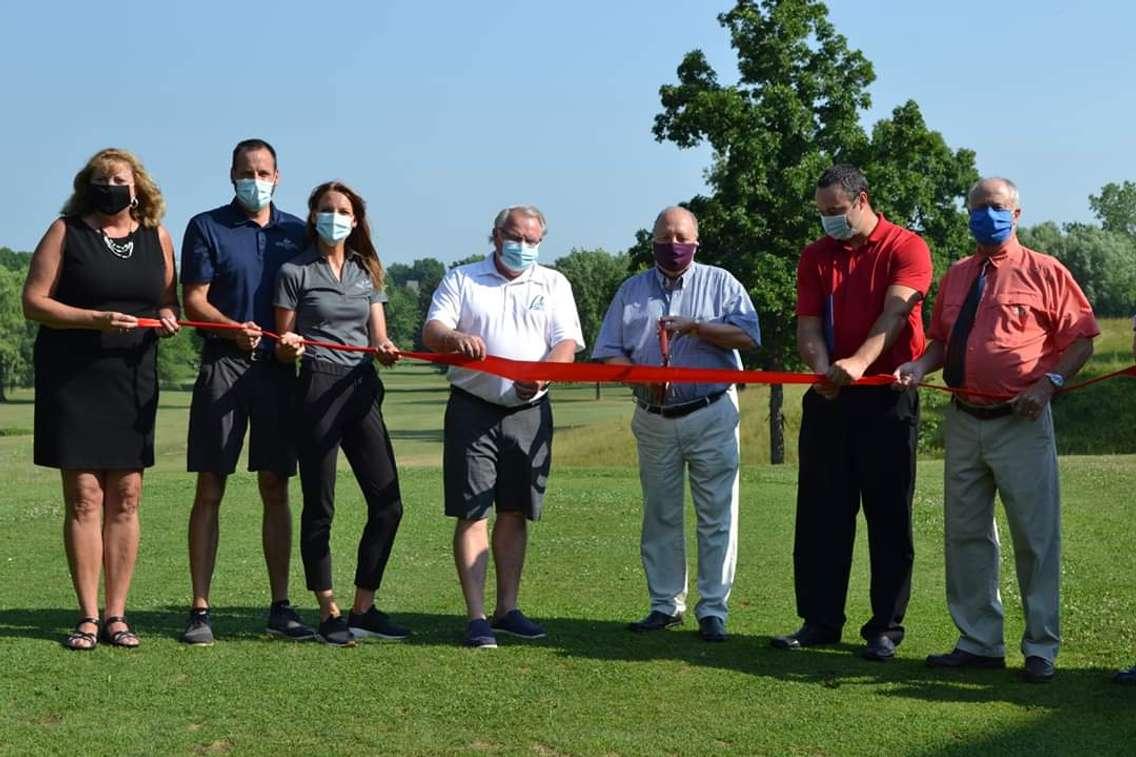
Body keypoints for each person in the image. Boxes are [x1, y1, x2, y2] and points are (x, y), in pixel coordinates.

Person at [895, 177, 1098, 683]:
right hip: (964, 420)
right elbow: (942, 341)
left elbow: (1081, 339)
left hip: (1021, 421)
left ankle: (1041, 648)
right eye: (979, 207)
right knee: (965, 536)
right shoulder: (959, 274)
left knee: (1035, 537)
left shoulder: (1046, 271)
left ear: (1017, 213)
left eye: (997, 207)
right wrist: (921, 367)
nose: (987, 215)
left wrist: (1048, 385)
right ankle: (979, 641)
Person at [772, 164, 932, 661]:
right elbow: (808, 325)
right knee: (822, 514)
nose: (828, 222)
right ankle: (820, 620)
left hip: (886, 396)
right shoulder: (816, 255)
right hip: (830, 397)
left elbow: (896, 313)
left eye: (836, 212)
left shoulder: (906, 246)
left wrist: (857, 365)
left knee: (888, 516)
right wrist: (824, 369)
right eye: (822, 214)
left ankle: (885, 627)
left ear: (863, 200)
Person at [23, 147, 180, 649]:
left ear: (138, 187)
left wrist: (169, 315)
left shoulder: (157, 237)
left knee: (127, 497)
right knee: (86, 497)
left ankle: (118, 616)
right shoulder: (65, 231)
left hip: (132, 381)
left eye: (120, 178)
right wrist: (94, 318)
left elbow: (166, 299)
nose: (111, 185)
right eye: (102, 178)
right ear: (87, 186)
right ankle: (88, 616)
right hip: (75, 380)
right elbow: (34, 302)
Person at [592, 206, 760, 642]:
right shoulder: (631, 291)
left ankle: (713, 610)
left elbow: (748, 336)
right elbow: (607, 350)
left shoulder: (721, 283)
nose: (673, 244)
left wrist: (698, 328)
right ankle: (665, 604)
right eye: (665, 237)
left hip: (710, 412)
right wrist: (639, 377)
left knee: (717, 514)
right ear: (652, 242)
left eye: (681, 236)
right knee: (660, 513)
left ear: (696, 241)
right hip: (653, 417)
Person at [422, 205, 584, 648]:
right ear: (495, 235)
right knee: (473, 510)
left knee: (515, 510)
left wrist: (544, 373)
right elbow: (433, 331)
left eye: (533, 241)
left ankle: (507, 609)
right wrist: (454, 339)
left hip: (530, 411)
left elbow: (566, 343)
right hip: (472, 407)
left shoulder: (554, 283)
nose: (524, 247)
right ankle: (476, 617)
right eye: (516, 237)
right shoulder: (462, 279)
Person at [179, 138, 311, 645]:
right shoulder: (206, 226)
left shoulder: (298, 232)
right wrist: (232, 327)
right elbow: (193, 300)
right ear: (231, 175)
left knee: (276, 486)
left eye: (263, 171)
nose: (254, 179)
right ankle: (200, 609)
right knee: (210, 485)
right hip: (224, 364)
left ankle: (281, 605)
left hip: (279, 372)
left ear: (277, 176)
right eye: (245, 171)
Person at [274, 181, 407, 647]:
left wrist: (385, 349)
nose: (336, 216)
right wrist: (288, 347)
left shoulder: (366, 271)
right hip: (315, 383)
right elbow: (283, 345)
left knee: (388, 504)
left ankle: (363, 608)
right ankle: (328, 608)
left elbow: (378, 337)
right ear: (313, 216)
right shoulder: (295, 271)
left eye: (344, 210)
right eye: (327, 209)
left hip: (361, 385)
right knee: (321, 504)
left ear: (356, 219)